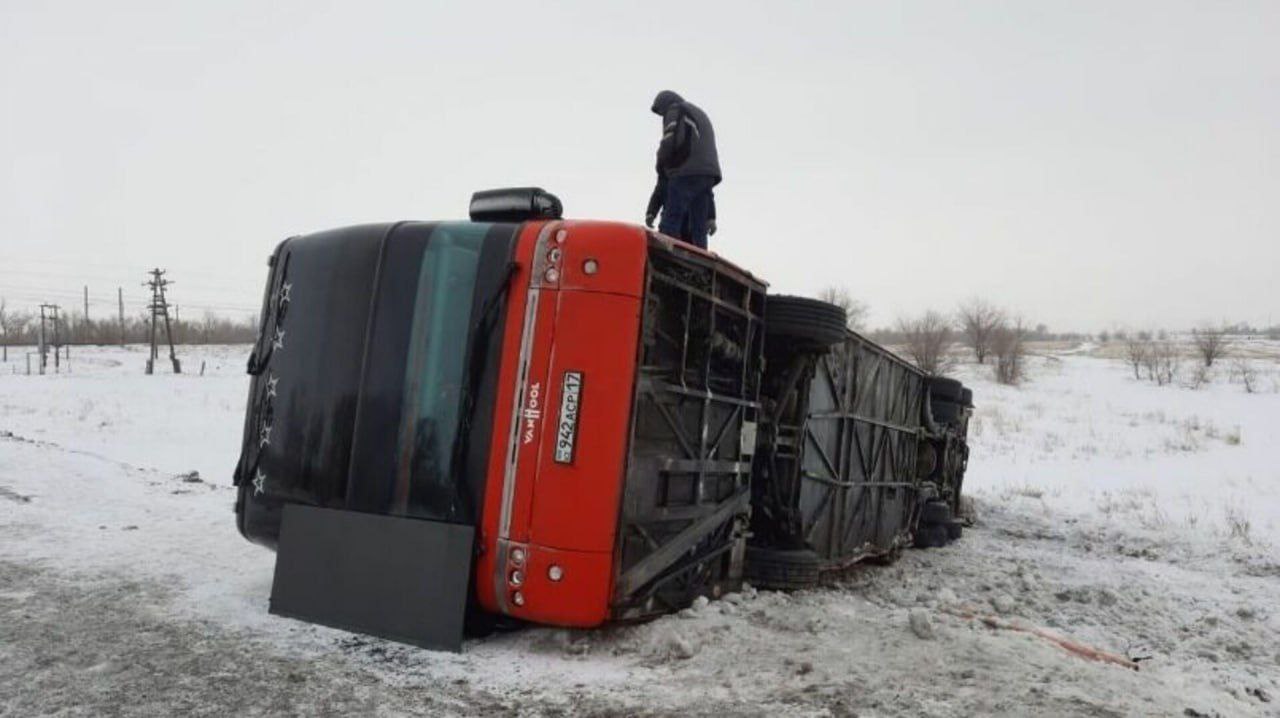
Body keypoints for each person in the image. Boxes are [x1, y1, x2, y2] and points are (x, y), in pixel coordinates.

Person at [643, 90, 721, 249]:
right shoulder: (698, 113)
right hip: (708, 174)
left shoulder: (675, 109)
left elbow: (670, 138)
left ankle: (666, 252)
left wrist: (663, 159)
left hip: (686, 171)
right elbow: (707, 194)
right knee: (698, 225)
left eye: (660, 111)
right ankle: (700, 254)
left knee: (671, 219)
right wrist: (711, 217)